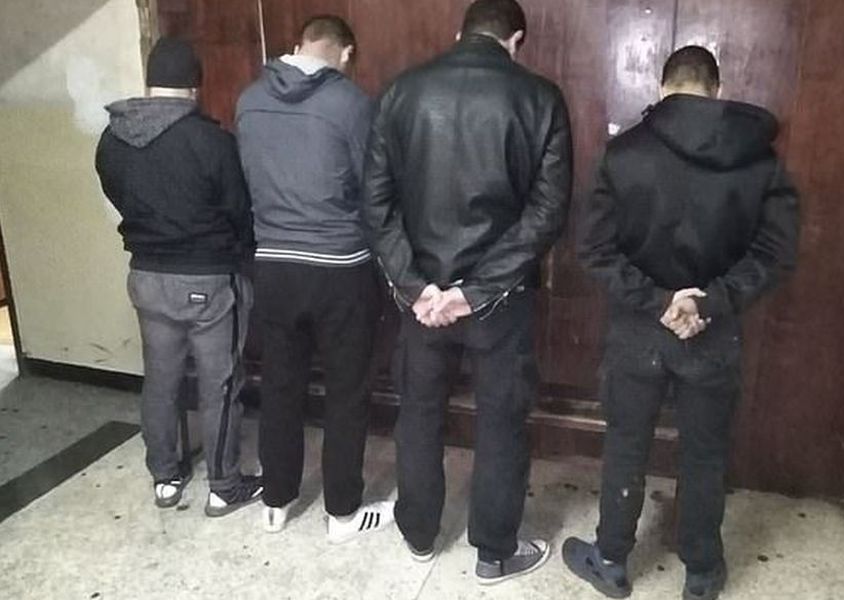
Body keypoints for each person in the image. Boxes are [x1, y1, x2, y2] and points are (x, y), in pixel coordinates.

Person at [563, 46, 801, 600]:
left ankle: (612, 559)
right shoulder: (759, 159)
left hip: (638, 327)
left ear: (662, 86)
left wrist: (657, 301)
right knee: (706, 452)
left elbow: (594, 248)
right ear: (717, 89)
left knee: (626, 443)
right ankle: (701, 573)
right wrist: (709, 302)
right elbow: (776, 252)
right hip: (713, 329)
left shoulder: (624, 153)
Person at [363, 0, 573, 584]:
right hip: (501, 301)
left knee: (419, 415)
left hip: (422, 302)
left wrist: (416, 287)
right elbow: (547, 213)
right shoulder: (540, 99)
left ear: (461, 34)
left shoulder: (402, 91)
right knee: (501, 422)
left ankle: (418, 534)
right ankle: (494, 552)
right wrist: (474, 291)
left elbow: (375, 205)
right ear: (516, 40)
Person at [236, 15, 393, 538]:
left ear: (297, 44)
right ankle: (342, 513)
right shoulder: (350, 103)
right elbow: (373, 188)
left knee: (280, 385)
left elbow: (249, 179)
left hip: (273, 265)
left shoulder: (249, 101)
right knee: (347, 392)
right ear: (345, 53)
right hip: (340, 267)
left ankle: (275, 503)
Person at [95, 37, 263, 517]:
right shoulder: (210, 141)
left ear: (151, 81)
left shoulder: (111, 137)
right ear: (195, 85)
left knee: (160, 379)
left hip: (146, 276)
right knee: (219, 384)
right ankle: (224, 485)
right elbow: (239, 212)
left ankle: (165, 478)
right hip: (208, 279)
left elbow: (116, 193)